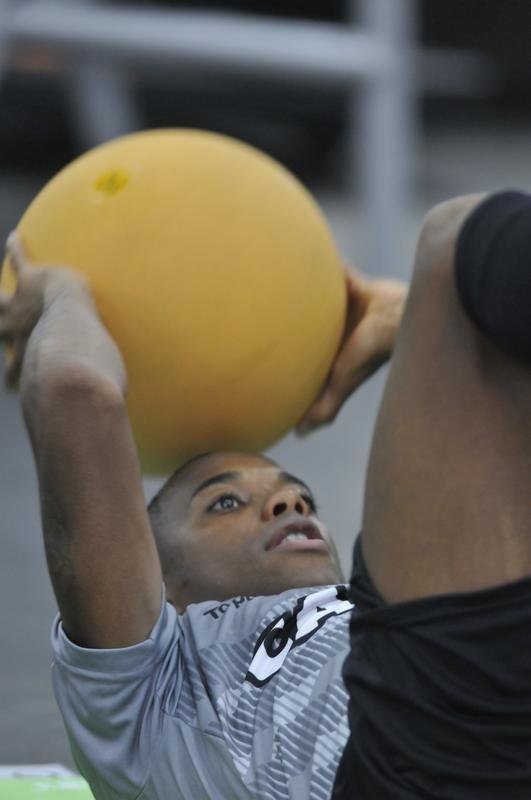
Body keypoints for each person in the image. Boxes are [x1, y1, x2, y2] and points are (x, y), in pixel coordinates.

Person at [1, 187, 530, 800]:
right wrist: (61, 293)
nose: (290, 506)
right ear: (159, 581)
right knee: (450, 244)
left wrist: (410, 323)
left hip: (483, 700)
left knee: (458, 276)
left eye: (300, 497)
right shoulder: (148, 693)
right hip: (407, 763)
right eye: (223, 503)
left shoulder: (365, 615)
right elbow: (73, 389)